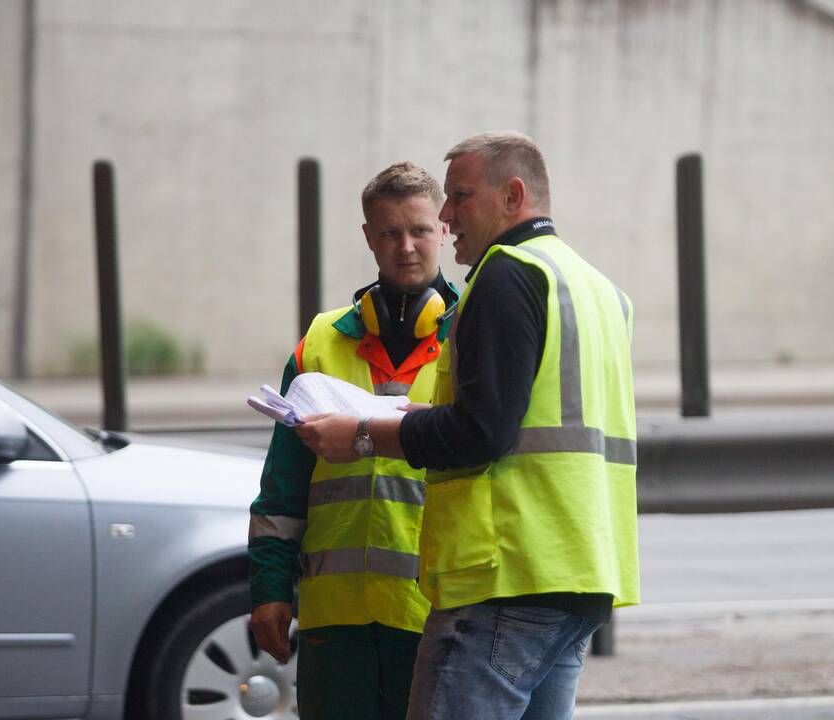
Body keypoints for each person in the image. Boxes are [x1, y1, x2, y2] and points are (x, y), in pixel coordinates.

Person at [295, 131, 639, 720]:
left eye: (459, 196)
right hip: (582, 570)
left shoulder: (505, 273)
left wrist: (362, 434)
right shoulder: (596, 286)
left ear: (513, 195)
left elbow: (484, 433)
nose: (447, 215)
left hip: (505, 576)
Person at [248, 161, 459, 720]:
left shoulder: (474, 335)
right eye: (390, 232)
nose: (406, 246)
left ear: (443, 228)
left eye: (419, 230)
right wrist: (269, 587)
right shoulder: (320, 342)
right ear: (369, 237)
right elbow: (283, 484)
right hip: (333, 621)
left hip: (434, 613)